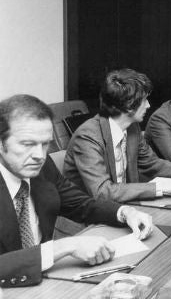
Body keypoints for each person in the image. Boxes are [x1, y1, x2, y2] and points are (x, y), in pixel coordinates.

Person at [0, 95, 153, 287]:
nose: (39, 155)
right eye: (27, 144)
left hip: (47, 283)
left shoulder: (41, 165)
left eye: (45, 144)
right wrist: (64, 246)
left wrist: (124, 212)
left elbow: (81, 204)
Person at [64, 68, 171, 203]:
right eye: (144, 100)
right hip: (86, 221)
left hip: (123, 208)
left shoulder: (132, 128)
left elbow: (152, 163)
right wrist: (161, 187)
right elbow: (102, 192)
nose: (148, 105)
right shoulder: (88, 136)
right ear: (128, 106)